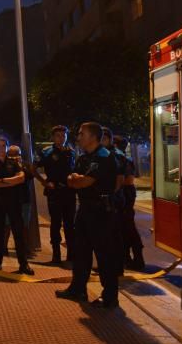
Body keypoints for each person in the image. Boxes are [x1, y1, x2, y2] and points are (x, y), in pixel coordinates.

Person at [56, 122, 121, 308]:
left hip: (101, 211)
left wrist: (77, 180)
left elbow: (82, 182)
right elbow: (71, 180)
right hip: (85, 209)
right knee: (80, 252)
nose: (78, 137)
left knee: (104, 255)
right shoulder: (84, 158)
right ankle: (78, 289)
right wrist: (76, 180)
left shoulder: (104, 157)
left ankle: (109, 297)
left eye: (81, 134)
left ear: (93, 137)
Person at [0, 137, 34, 275]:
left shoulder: (13, 162)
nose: (1, 148)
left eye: (3, 146)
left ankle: (24, 265)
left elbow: (21, 178)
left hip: (14, 202)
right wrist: (12, 181)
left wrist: (3, 180)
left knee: (19, 234)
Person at [32, 125, 76, 265]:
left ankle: (71, 256)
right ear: (53, 137)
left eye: (64, 136)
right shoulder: (47, 152)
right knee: (55, 224)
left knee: (70, 225)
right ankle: (56, 256)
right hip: (55, 192)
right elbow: (33, 168)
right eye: (58, 135)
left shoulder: (72, 152)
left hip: (69, 192)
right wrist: (44, 182)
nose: (61, 138)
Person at [113, 136, 145, 269]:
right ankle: (125, 258)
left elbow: (129, 180)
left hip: (125, 195)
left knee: (128, 227)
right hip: (124, 194)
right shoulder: (120, 157)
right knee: (122, 228)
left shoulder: (123, 158)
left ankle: (137, 260)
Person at [101, 128, 128, 277]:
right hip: (108, 200)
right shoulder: (103, 154)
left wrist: (111, 196)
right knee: (107, 236)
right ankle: (110, 266)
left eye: (102, 139)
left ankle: (117, 267)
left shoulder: (115, 155)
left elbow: (119, 179)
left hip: (113, 201)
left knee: (114, 235)